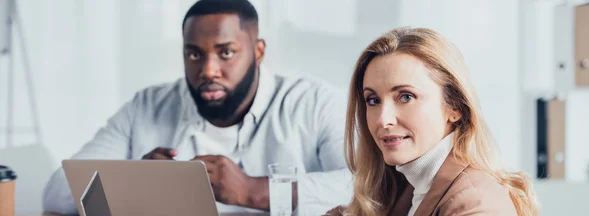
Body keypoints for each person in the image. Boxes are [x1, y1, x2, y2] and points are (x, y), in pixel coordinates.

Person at [43, 0, 351, 214]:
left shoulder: (313, 103)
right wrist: (134, 181)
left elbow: (364, 185)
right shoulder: (148, 106)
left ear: (258, 52)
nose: (208, 70)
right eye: (193, 55)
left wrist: (254, 191)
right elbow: (57, 192)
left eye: (226, 52)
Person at [327, 27, 538, 215]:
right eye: (373, 100)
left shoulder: (475, 203)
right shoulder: (405, 185)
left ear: (455, 106)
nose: (383, 119)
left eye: (406, 97)